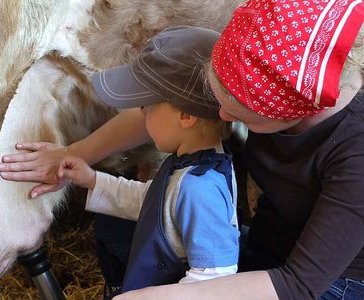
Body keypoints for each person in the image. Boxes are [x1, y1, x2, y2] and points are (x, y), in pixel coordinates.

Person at [0, 0, 364, 299]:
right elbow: (181, 105)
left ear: (284, 112)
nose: (220, 115)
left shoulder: (360, 155)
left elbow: (299, 285)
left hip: (334, 282)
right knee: (119, 233)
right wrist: (77, 154)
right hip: (265, 246)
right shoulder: (271, 74)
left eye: (237, 113)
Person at [51, 26, 240, 294]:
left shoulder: (200, 189)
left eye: (147, 104)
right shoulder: (190, 165)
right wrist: (94, 181)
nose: (140, 111)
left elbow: (214, 282)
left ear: (186, 116)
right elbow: (156, 203)